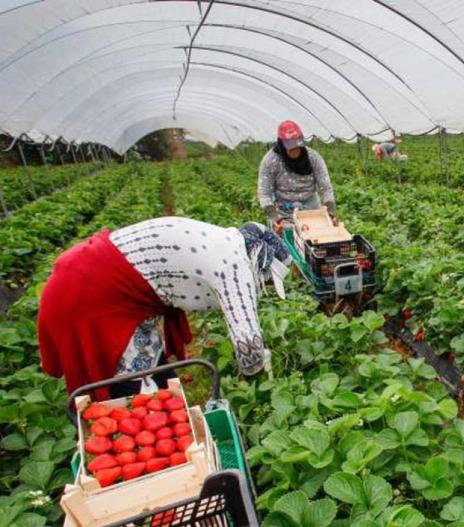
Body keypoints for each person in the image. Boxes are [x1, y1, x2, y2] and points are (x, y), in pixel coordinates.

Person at [38, 217, 292, 398]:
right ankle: (142, 430)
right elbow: (248, 347)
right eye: (269, 280)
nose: (265, 287)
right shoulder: (234, 267)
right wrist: (266, 385)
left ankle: (166, 407)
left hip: (94, 273)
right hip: (90, 292)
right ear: (260, 264)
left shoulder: (227, 241)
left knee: (151, 357)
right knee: (132, 377)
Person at [258, 120, 336, 226]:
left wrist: (329, 211)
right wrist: (273, 216)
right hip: (284, 214)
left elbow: (326, 188)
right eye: (291, 147)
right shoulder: (271, 161)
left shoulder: (313, 158)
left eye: (298, 146)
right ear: (281, 145)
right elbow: (264, 193)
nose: (295, 150)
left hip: (312, 212)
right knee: (287, 240)